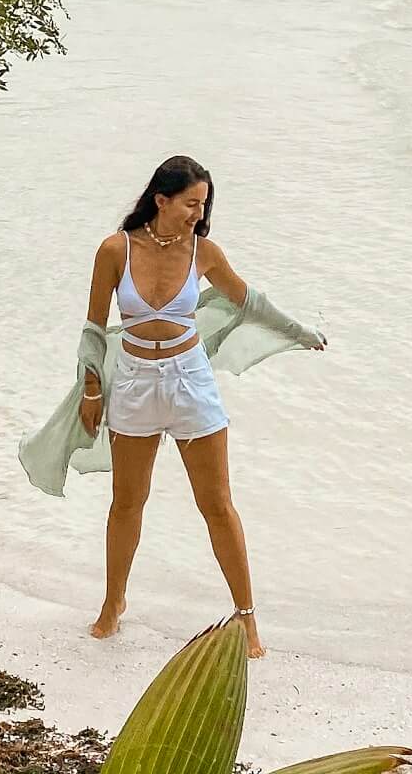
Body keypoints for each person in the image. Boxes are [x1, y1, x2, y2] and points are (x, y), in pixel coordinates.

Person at [79, 155, 325, 659]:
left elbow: (247, 300)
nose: (198, 212)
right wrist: (90, 389)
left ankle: (246, 618)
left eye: (204, 204)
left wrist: (298, 332)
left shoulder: (204, 252)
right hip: (134, 384)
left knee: (216, 504)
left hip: (190, 382)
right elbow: (92, 328)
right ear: (161, 199)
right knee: (127, 503)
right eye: (191, 203)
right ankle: (112, 603)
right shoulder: (114, 250)